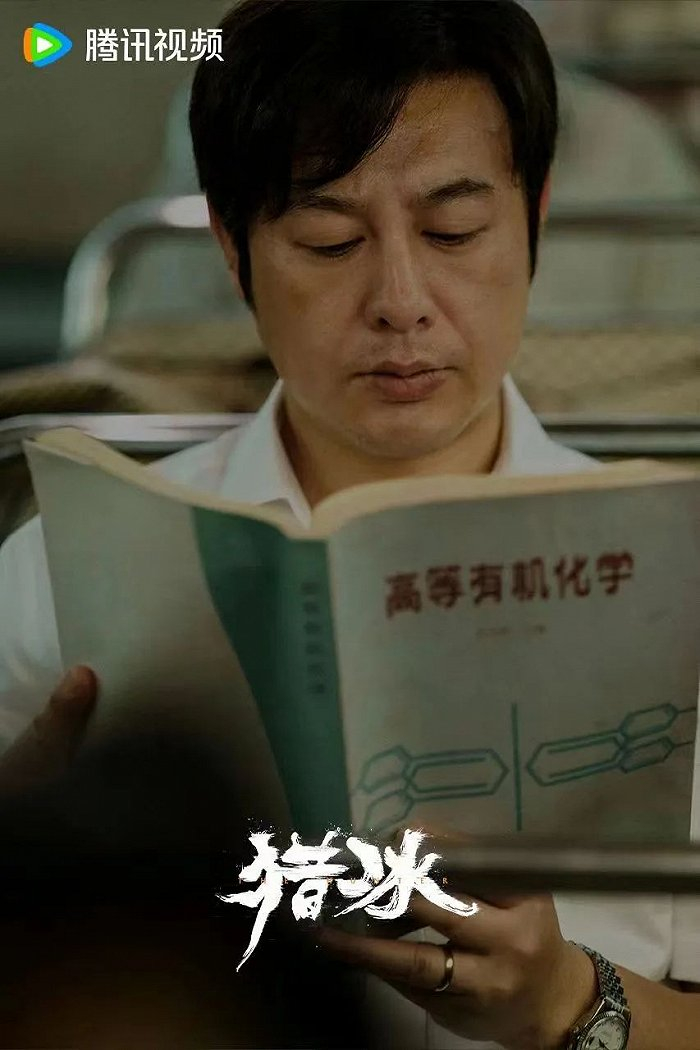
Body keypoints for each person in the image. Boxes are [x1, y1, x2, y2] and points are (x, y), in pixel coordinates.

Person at [0, 2, 698, 1047]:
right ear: (233, 249)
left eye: (454, 232)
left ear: (535, 219)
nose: (400, 301)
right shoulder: (62, 571)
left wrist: (564, 1004)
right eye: (328, 241)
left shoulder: (672, 572)